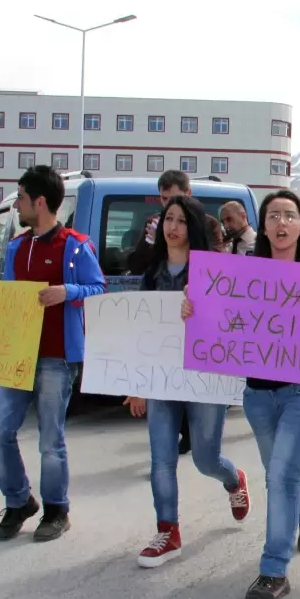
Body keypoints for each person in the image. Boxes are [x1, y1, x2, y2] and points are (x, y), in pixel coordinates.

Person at [181, 189, 300, 599]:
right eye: (274, 216)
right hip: (258, 396)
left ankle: (273, 569)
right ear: (263, 226)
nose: (282, 223)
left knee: (279, 475)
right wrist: (192, 310)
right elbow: (214, 319)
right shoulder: (239, 275)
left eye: (290, 215)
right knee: (282, 472)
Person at [0, 165, 106, 541]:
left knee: (49, 438)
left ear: (40, 201)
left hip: (56, 356)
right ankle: (18, 501)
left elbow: (98, 289)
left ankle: (57, 510)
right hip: (13, 356)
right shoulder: (17, 247)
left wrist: (68, 292)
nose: (19, 205)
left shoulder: (75, 246)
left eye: (22, 198)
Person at [125, 196, 251, 567]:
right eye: (168, 218)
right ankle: (168, 531)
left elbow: (233, 322)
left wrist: (203, 311)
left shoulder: (213, 271)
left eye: (181, 220)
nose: (173, 226)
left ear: (192, 228)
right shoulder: (151, 275)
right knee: (161, 459)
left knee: (205, 458)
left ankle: (233, 479)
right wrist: (137, 383)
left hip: (204, 377)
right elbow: (141, 330)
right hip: (162, 379)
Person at [127, 170, 194, 454]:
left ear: (187, 195)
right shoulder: (154, 226)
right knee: (161, 453)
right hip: (162, 342)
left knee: (206, 453)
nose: (168, 207)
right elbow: (138, 262)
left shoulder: (208, 225)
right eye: (164, 201)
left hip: (194, 340)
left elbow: (220, 265)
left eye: (174, 199)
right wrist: (152, 243)